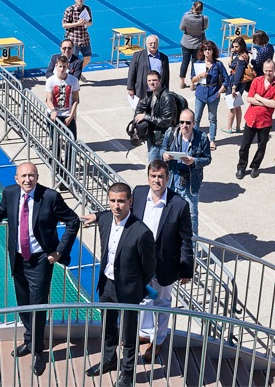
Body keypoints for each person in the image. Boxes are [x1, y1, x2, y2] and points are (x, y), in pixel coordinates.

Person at [0, 163, 80, 376]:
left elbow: (73, 221)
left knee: (38, 305)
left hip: (40, 260)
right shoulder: (10, 193)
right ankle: (30, 340)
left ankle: (38, 351)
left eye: (31, 175)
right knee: (23, 303)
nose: (28, 179)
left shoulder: (50, 197)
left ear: (37, 177)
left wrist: (58, 251)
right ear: (16, 178)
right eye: (23, 176)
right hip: (18, 259)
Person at [81, 162, 193, 362]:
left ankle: (157, 340)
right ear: (148, 177)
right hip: (138, 262)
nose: (156, 180)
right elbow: (120, 210)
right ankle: (143, 332)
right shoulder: (139, 194)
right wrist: (97, 216)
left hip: (163, 264)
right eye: (153, 176)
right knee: (142, 299)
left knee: (162, 303)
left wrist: (186, 268)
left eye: (160, 176)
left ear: (167, 178)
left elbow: (185, 239)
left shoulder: (179, 205)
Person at [85, 183, 156, 387]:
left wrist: (137, 287)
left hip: (128, 289)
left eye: (121, 201)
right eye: (113, 201)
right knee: (108, 326)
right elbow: (103, 215)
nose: (116, 206)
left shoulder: (142, 232)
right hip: (106, 284)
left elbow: (148, 267)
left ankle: (127, 373)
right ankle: (109, 360)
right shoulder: (106, 219)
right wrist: (95, 215)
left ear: (130, 202)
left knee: (129, 333)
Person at [162, 108, 211, 235]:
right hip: (172, 182)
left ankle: (192, 250)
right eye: (182, 122)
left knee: (192, 218)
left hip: (190, 185)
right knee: (170, 216)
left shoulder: (202, 138)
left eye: (188, 123)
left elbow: (207, 159)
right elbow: (162, 149)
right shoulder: (171, 134)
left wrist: (194, 161)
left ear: (193, 123)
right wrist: (164, 155)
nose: (184, 125)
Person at [237, 59, 275, 179]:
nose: (268, 73)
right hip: (251, 118)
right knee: (244, 146)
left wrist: (259, 98)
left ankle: (255, 166)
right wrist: (266, 101)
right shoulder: (256, 81)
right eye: (266, 70)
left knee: (261, 147)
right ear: (263, 70)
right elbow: (250, 99)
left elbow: (274, 104)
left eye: (270, 71)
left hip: (265, 121)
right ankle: (241, 167)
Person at [190, 40, 228, 150]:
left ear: (213, 51)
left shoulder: (218, 64)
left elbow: (226, 80)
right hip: (201, 92)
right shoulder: (198, 64)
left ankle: (212, 139)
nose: (207, 51)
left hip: (213, 93)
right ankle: (195, 139)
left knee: (212, 118)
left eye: (209, 49)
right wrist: (200, 76)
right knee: (196, 118)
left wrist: (219, 92)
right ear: (202, 51)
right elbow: (192, 79)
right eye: (205, 49)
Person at [134, 71, 175, 162]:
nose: (151, 83)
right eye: (149, 80)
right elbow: (138, 110)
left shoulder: (167, 98)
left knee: (155, 168)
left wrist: (146, 116)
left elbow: (166, 121)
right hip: (151, 136)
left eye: (154, 80)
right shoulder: (149, 95)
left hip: (161, 139)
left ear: (160, 80)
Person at [44, 56, 80, 139]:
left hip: (67, 114)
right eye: (60, 66)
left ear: (67, 66)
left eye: (64, 66)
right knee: (55, 142)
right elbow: (48, 99)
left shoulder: (73, 80)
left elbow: (75, 100)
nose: (62, 69)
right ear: (56, 66)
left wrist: (71, 116)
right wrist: (53, 110)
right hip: (55, 115)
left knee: (72, 141)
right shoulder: (50, 80)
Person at [127, 35, 170, 101]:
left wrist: (166, 90)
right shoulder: (137, 55)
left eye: (155, 43)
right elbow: (131, 72)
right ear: (146, 44)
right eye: (151, 43)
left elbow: (166, 75)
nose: (153, 45)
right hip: (142, 89)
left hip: (157, 90)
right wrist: (130, 88)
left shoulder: (164, 58)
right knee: (141, 110)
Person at [222, 36, 251, 134]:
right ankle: (237, 126)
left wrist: (234, 86)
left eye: (236, 47)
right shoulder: (245, 54)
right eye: (233, 47)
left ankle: (229, 127)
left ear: (241, 46)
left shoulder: (240, 58)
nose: (234, 49)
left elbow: (238, 73)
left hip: (235, 83)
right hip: (241, 83)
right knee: (237, 105)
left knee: (232, 105)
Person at [62, 0, 93, 79]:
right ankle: (70, 75)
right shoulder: (70, 10)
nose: (80, 0)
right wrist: (77, 23)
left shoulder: (87, 9)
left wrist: (85, 22)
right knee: (71, 60)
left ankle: (77, 72)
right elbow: (64, 24)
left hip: (84, 38)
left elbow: (90, 23)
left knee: (87, 57)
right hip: (74, 39)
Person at [178, 1, 208, 89]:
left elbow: (181, 28)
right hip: (198, 43)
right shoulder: (204, 18)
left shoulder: (186, 17)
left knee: (185, 62)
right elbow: (205, 28)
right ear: (202, 9)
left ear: (192, 7)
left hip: (186, 42)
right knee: (195, 63)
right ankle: (193, 83)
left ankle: (182, 82)